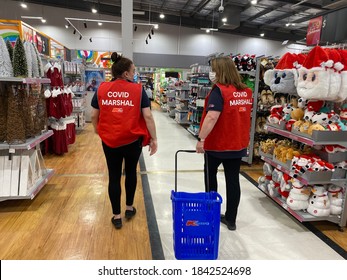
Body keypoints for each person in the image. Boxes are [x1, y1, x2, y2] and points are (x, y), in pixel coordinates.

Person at [91, 52, 158, 229]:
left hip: (110, 141)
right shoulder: (138, 90)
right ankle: (129, 207)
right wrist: (154, 139)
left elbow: (93, 114)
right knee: (130, 172)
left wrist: (98, 130)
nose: (135, 73)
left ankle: (116, 216)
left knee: (113, 177)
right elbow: (148, 116)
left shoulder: (102, 88)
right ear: (126, 74)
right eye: (133, 71)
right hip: (132, 141)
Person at [196, 56, 253, 231]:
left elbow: (212, 116)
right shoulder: (245, 91)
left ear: (220, 71)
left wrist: (201, 139)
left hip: (217, 144)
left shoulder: (219, 91)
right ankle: (231, 219)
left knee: (210, 177)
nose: (211, 73)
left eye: (213, 69)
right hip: (237, 144)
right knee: (233, 180)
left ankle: (211, 213)